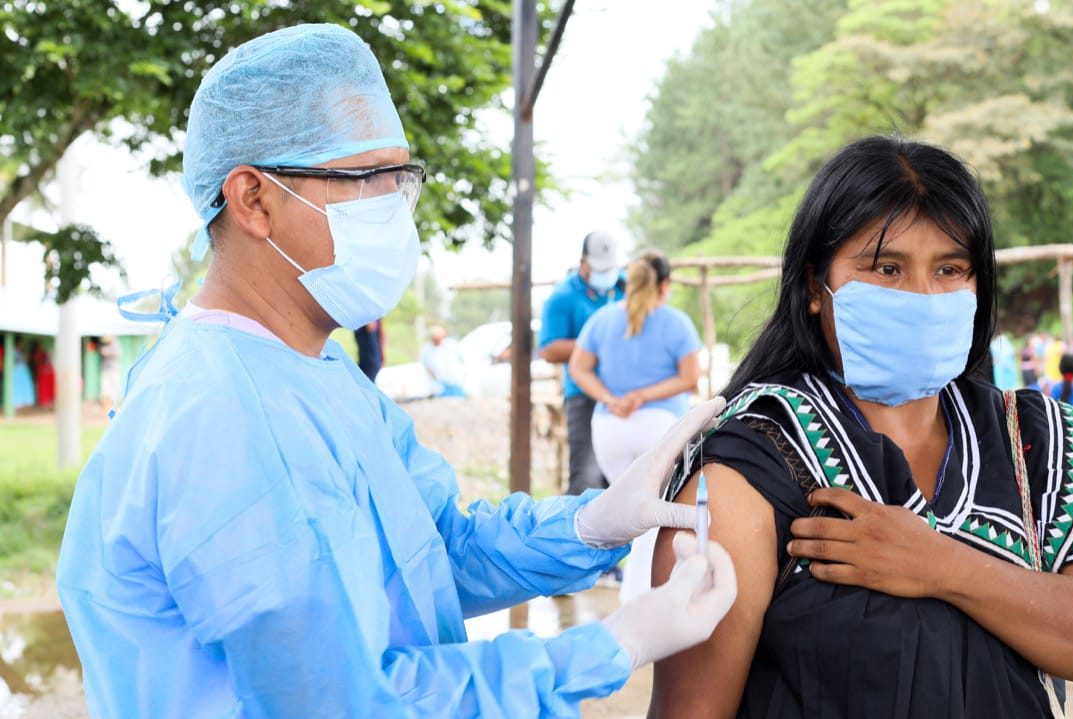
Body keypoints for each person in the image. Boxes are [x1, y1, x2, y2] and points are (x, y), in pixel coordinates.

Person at [56, 25, 738, 718]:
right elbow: (345, 702)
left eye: (401, 179)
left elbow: (432, 550)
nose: (394, 209)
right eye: (367, 180)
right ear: (253, 199)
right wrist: (611, 644)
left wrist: (591, 524)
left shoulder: (317, 367)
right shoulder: (221, 415)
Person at [649, 136, 1073, 718]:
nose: (923, 296)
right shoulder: (749, 465)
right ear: (816, 286)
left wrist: (941, 566)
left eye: (950, 269)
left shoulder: (1032, 439)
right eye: (887, 268)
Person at [569, 251, 702, 602]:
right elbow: (690, 378)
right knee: (656, 515)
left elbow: (578, 368)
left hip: (609, 429)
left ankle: (631, 590)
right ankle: (644, 596)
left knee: (630, 511)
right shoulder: (676, 323)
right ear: (665, 285)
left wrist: (610, 398)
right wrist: (644, 395)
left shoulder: (602, 319)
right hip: (659, 429)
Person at [540, 231, 625, 496]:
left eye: (610, 269)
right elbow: (549, 350)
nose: (606, 274)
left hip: (628, 395)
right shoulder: (563, 297)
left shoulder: (627, 288)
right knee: (586, 478)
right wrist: (596, 344)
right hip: (584, 396)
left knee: (625, 477)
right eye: (600, 269)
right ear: (583, 263)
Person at [420, 325, 466, 398]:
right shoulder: (427, 350)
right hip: (439, 384)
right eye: (435, 338)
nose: (437, 339)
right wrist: (435, 377)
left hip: (455, 381)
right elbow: (426, 366)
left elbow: (461, 359)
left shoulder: (451, 345)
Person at [97, 336, 120, 410]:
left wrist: (107, 352)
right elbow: (102, 351)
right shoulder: (103, 344)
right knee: (105, 387)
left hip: (113, 368)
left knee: (115, 386)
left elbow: (117, 353)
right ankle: (106, 404)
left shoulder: (115, 344)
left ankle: (115, 403)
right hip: (105, 368)